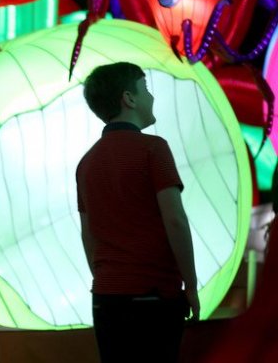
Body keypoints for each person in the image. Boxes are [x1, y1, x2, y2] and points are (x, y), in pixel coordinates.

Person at [76, 62, 198, 363]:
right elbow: (175, 220)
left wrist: (107, 278)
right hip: (153, 295)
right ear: (128, 99)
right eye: (146, 89)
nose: (152, 97)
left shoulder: (87, 163)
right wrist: (191, 285)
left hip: (105, 298)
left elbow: (88, 233)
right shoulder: (153, 149)